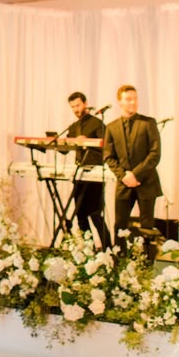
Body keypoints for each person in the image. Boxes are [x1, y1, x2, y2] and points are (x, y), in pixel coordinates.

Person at [103, 85, 162, 239]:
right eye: (128, 99)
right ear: (120, 102)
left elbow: (155, 153)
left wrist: (135, 175)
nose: (133, 102)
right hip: (124, 184)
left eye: (135, 98)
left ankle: (146, 263)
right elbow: (109, 157)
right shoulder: (111, 127)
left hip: (147, 182)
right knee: (120, 226)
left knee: (147, 228)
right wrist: (124, 176)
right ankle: (119, 260)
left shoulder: (148, 123)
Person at [65, 92, 110, 248]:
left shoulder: (97, 124)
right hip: (79, 175)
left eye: (78, 105)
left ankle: (108, 249)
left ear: (85, 103)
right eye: (73, 107)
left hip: (95, 175)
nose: (76, 109)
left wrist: (87, 143)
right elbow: (65, 148)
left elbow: (106, 149)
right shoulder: (73, 127)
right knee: (80, 215)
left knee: (96, 214)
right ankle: (88, 251)